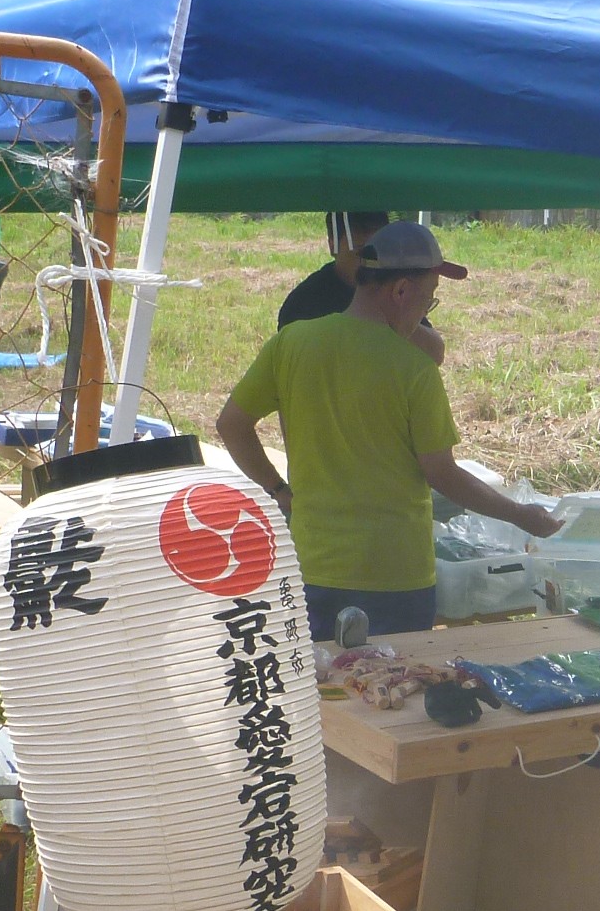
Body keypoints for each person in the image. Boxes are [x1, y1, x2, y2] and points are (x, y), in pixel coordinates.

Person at [219, 221, 559, 640]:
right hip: (395, 577)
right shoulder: (413, 369)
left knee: (323, 695)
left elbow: (231, 425)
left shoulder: (291, 343)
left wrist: (278, 490)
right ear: (400, 291)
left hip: (313, 566)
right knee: (392, 690)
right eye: (428, 302)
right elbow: (442, 473)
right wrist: (521, 514)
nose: (425, 314)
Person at [278, 210, 444, 364]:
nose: (369, 262)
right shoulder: (303, 303)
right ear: (332, 245)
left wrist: (395, 321)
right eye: (360, 253)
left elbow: (435, 353)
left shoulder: (391, 292)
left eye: (378, 253)